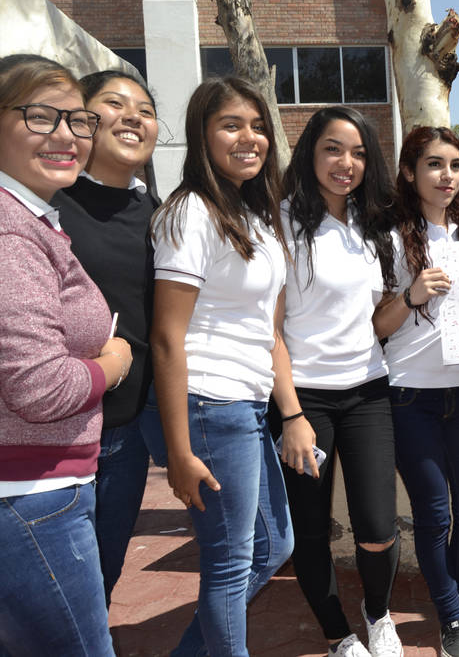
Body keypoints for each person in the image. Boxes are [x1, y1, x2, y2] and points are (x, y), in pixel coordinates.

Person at [150, 76, 294, 657]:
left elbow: (269, 329)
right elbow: (166, 337)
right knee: (231, 563)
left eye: (258, 126)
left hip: (247, 403)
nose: (249, 137)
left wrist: (290, 410)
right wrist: (180, 450)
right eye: (231, 125)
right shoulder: (190, 212)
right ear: (200, 135)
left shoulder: (254, 214)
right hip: (210, 402)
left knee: (272, 545)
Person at [0, 53, 130, 657]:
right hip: (30, 500)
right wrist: (115, 363)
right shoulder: (10, 230)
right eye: (40, 116)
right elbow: (40, 388)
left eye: (78, 121)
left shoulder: (33, 218)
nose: (65, 135)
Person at [372, 126, 459, 657]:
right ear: (410, 172)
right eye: (434, 164)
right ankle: (452, 615)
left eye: (455, 165)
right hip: (409, 395)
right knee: (435, 515)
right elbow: (378, 326)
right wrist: (411, 293)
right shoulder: (385, 236)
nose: (446, 175)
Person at [273, 106, 402, 657]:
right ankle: (337, 633)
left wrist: (415, 296)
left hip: (370, 391)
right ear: (310, 154)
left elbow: (381, 318)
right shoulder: (279, 223)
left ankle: (378, 616)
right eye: (332, 148)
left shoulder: (377, 228)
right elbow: (269, 329)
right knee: (311, 528)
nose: (344, 163)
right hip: (306, 400)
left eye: (357, 152)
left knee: (377, 526)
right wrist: (292, 415)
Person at [50, 69, 163, 605]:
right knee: (47, 592)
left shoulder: (162, 217)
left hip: (128, 430)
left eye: (144, 108)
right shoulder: (47, 206)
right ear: (83, 120)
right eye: (115, 104)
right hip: (55, 431)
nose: (133, 116)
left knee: (101, 579)